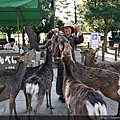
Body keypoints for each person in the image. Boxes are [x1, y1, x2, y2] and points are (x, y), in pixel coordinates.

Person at [47, 21, 84, 103]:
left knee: (70, 77)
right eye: (65, 28)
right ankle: (61, 93)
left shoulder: (73, 38)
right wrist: (52, 31)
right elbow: (49, 37)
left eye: (68, 28)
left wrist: (79, 31)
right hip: (61, 61)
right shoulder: (60, 37)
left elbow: (80, 40)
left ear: (71, 29)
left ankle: (68, 94)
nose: (66, 29)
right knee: (61, 77)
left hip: (71, 61)